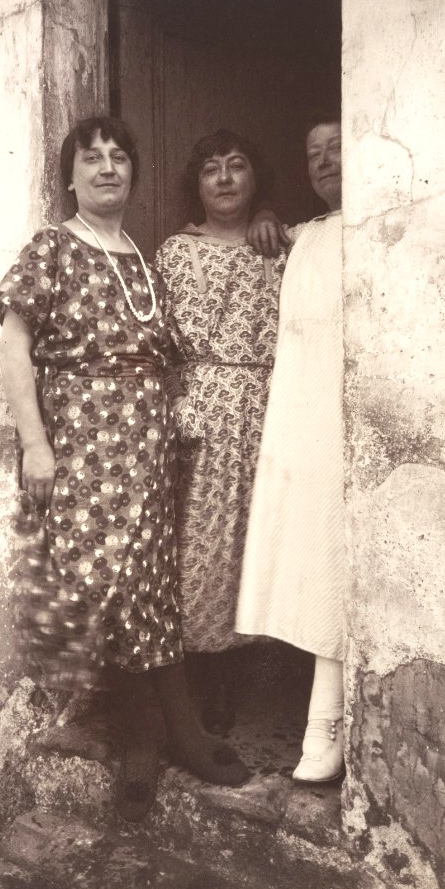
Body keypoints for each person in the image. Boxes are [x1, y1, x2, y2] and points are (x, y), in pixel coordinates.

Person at [0, 116, 250, 823]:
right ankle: (160, 729)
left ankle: (153, 735)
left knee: (150, 583)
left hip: (148, 446)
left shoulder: (143, 258)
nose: (107, 168)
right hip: (84, 447)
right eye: (91, 158)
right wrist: (34, 444)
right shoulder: (51, 247)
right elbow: (16, 348)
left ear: (132, 173)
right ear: (69, 176)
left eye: (118, 158)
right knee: (102, 583)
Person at [154, 130, 284, 734]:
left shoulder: (280, 245)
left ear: (255, 181)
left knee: (253, 545)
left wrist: (271, 220)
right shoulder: (175, 252)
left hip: (270, 411)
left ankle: (241, 675)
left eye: (237, 166)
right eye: (212, 170)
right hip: (195, 411)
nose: (225, 178)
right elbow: (153, 341)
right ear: (197, 185)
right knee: (193, 546)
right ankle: (195, 680)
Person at [236, 115, 345, 783]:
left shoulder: (385, 228)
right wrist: (269, 216)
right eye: (315, 154)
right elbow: (275, 238)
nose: (327, 161)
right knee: (311, 560)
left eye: (339, 147)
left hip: (351, 420)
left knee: (341, 559)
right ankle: (323, 718)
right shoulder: (304, 236)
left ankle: (327, 723)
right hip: (304, 419)